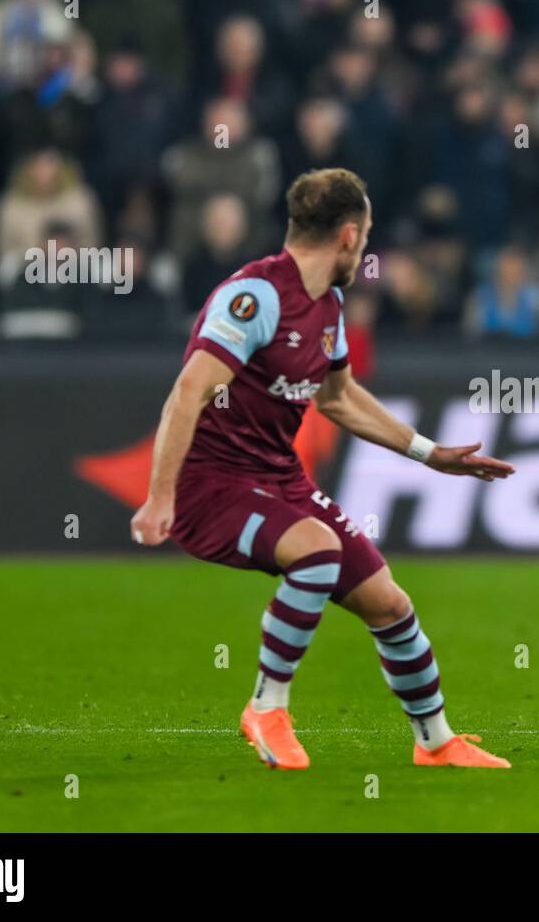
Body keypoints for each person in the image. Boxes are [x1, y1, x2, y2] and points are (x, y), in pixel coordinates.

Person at [130, 168, 515, 769]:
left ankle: (436, 743)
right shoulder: (255, 298)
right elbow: (188, 392)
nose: (365, 251)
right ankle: (266, 708)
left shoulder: (329, 305)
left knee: (388, 603)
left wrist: (429, 453)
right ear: (346, 235)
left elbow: (337, 398)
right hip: (212, 484)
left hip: (279, 478)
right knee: (316, 550)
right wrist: (160, 498)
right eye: (364, 238)